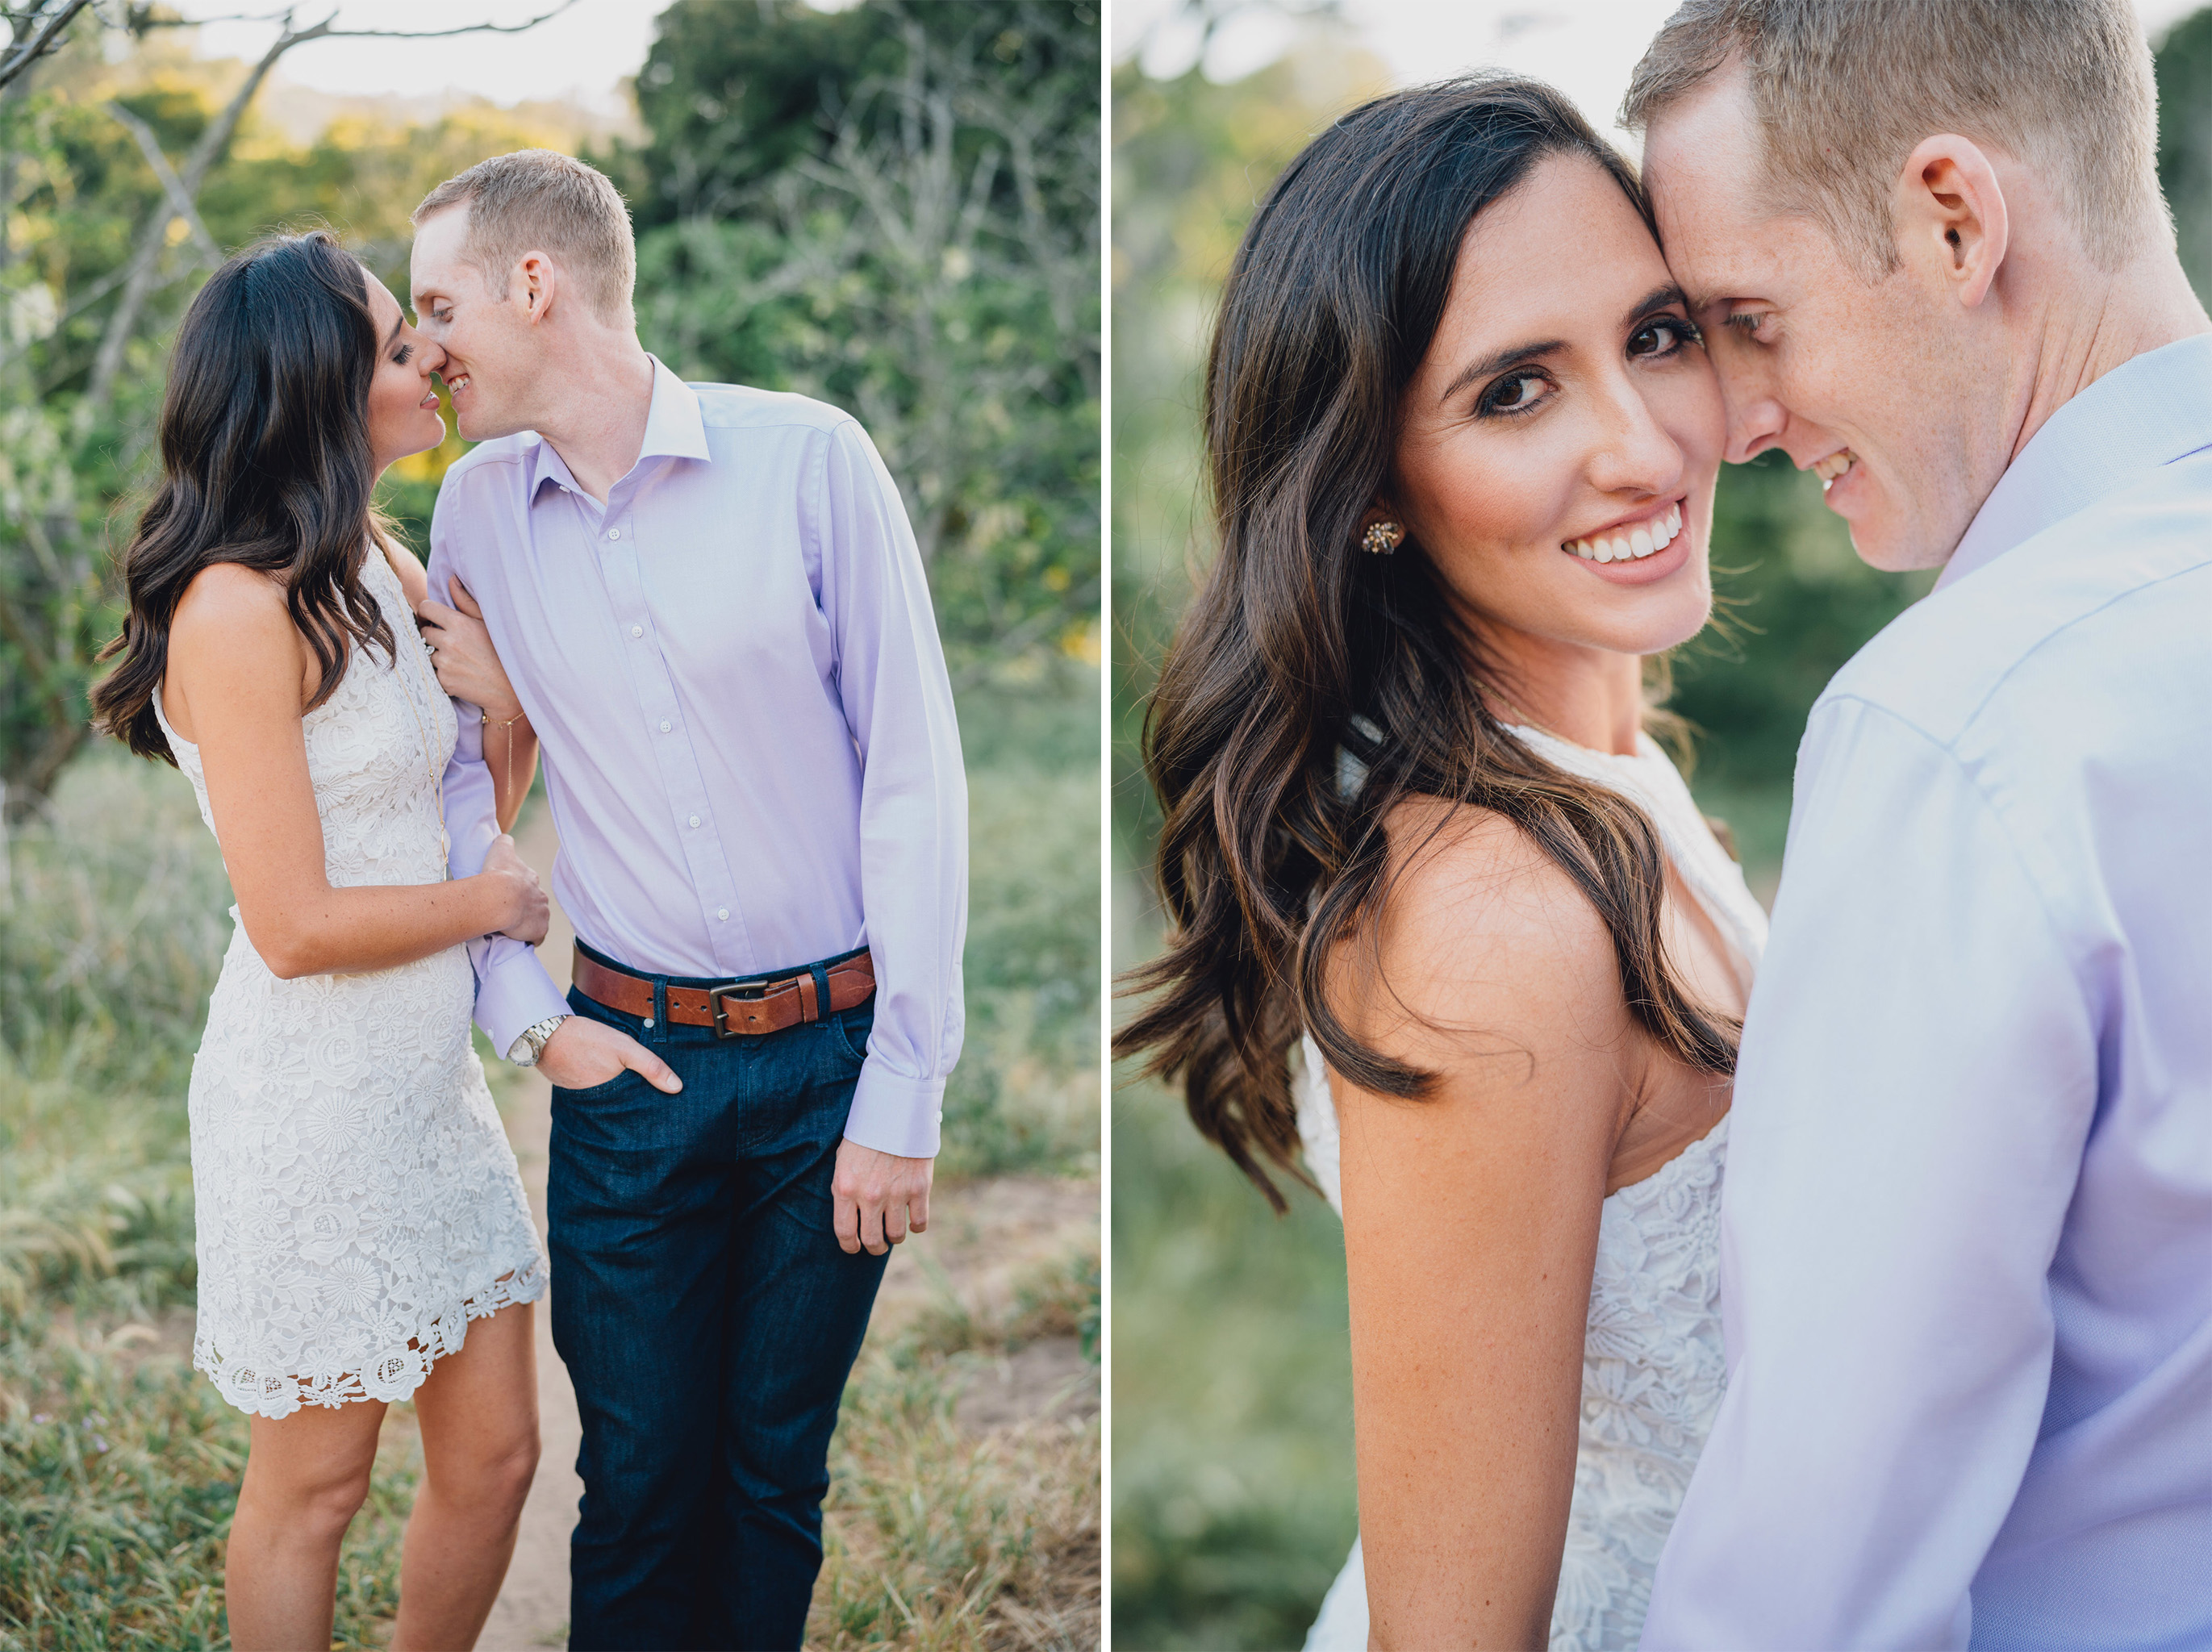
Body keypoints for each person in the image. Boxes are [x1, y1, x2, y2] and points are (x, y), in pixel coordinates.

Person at [1115, 77, 1765, 1650]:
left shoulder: (1608, 771)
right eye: (1513, 392)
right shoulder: (1492, 935)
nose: (1641, 443)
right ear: (1380, 492)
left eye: (1657, 333)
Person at [1622, 2, 2212, 1646]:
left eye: (1752, 315)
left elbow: (1818, 1569)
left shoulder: (1963, 728)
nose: (1732, 421)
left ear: (1953, 218)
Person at [402, 149, 968, 1651]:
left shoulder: (811, 460)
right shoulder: (471, 513)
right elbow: (458, 781)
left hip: (826, 1065)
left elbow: (912, 774)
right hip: (626, 1068)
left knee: (773, 1476)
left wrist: (901, 1085)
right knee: (639, 1483)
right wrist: (530, 1022)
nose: (426, 348)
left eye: (438, 304)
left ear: (538, 284)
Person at [90, 231, 549, 1652]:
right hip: (311, 1100)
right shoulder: (233, 610)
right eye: (396, 345)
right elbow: (290, 926)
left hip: (423, 1084)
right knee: (316, 1482)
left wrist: (509, 716)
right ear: (320, 389)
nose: (427, 358)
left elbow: (460, 809)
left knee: (495, 1460)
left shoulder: (375, 558)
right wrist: (492, 909)